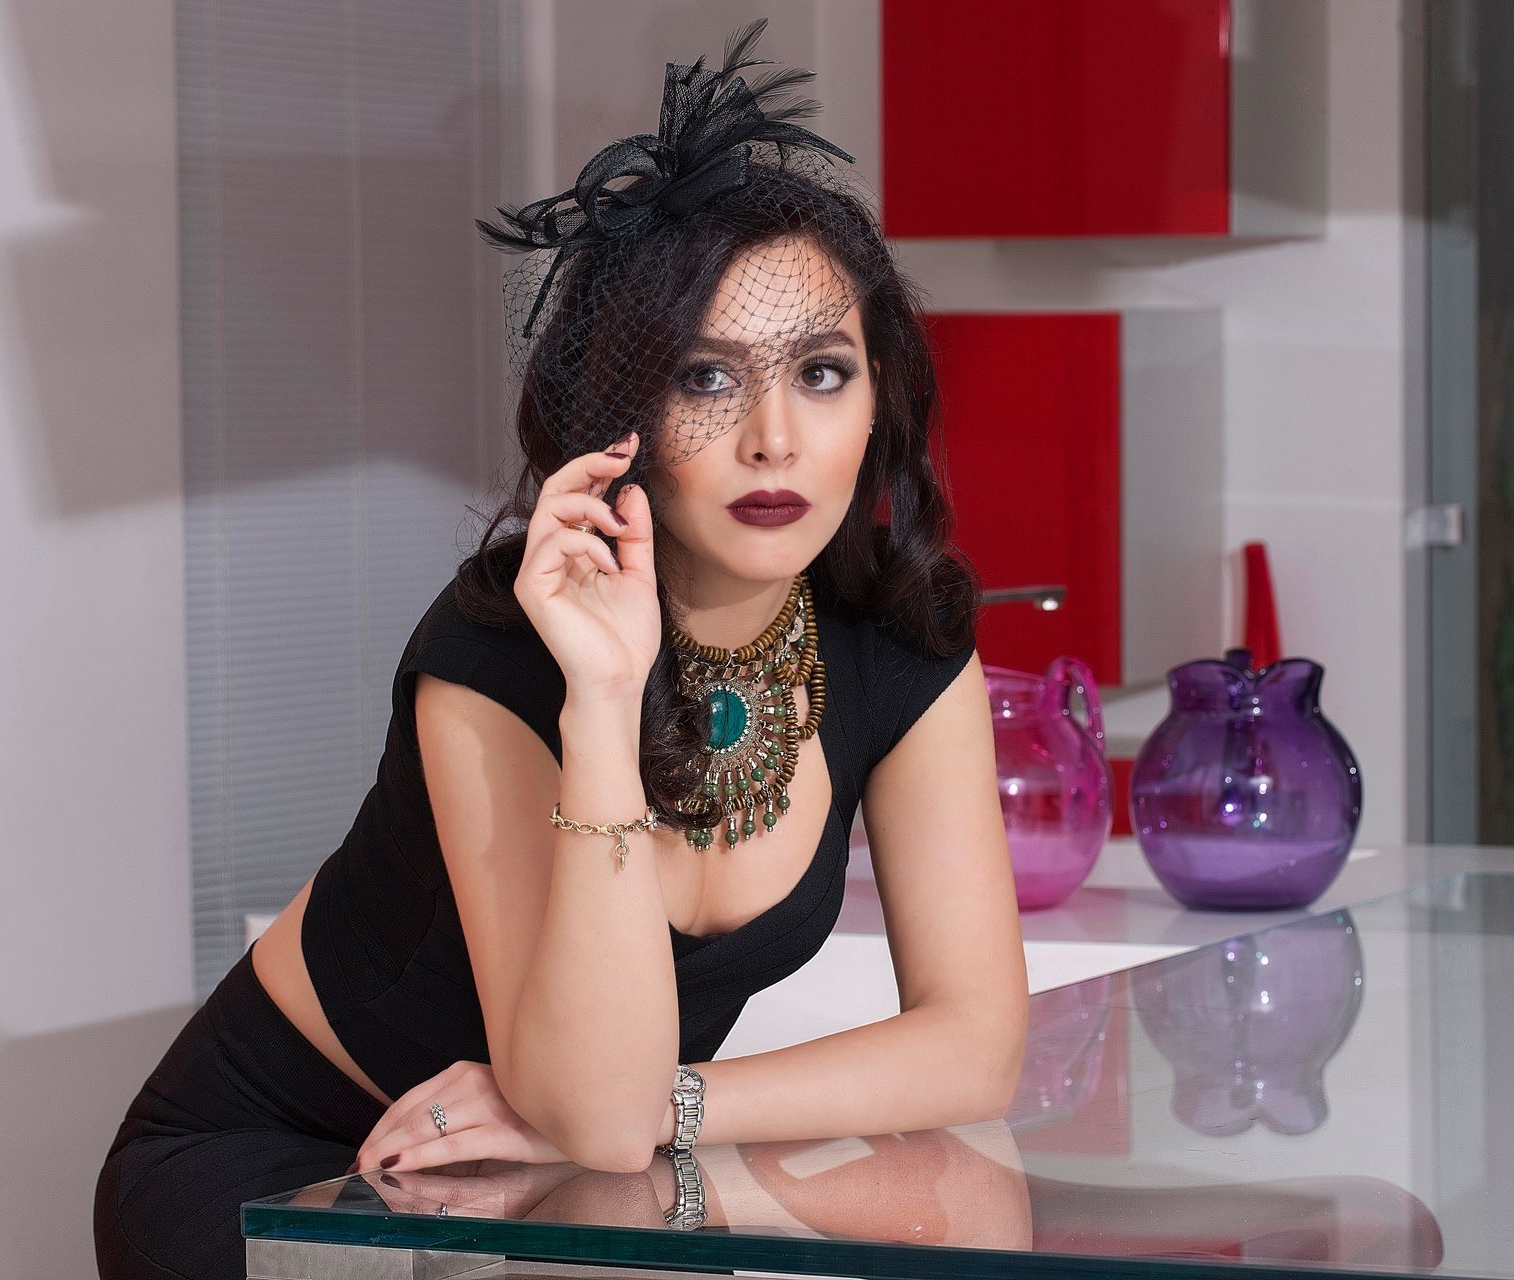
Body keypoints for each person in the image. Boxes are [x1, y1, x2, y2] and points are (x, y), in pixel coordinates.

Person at [93, 21, 1027, 1279]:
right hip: (287, 1166)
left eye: (820, 372)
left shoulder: (899, 635)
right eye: (705, 377)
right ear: (622, 414)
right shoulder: (498, 652)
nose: (773, 437)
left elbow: (974, 1045)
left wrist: (675, 1103)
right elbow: (596, 1110)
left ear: (881, 400)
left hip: (556, 1175)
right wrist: (600, 697)